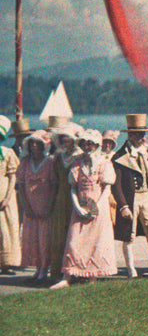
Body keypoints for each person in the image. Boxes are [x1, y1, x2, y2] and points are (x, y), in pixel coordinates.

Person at [50, 130, 117, 289]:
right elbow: (73, 188)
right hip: (80, 205)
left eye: (91, 143)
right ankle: (68, 276)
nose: (88, 146)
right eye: (85, 143)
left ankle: (91, 276)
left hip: (99, 207)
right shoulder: (77, 163)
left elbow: (107, 189)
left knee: (96, 241)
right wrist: (77, 207)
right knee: (74, 240)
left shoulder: (104, 163)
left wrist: (98, 207)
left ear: (96, 145)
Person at [111, 114, 148, 277]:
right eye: (139, 135)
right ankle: (131, 269)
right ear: (130, 135)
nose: (142, 138)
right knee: (129, 235)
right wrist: (123, 206)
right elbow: (116, 185)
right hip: (131, 199)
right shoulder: (119, 157)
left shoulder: (145, 153)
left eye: (143, 134)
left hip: (146, 197)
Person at [48, 116, 84, 280]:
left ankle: (76, 272)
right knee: (59, 235)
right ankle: (58, 271)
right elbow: (54, 179)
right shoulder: (58, 158)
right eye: (63, 139)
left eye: (68, 140)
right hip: (61, 197)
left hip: (76, 196)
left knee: (76, 235)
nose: (65, 142)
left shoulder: (80, 157)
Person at [17, 130, 55, 281]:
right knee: (32, 238)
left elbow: (54, 187)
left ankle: (45, 268)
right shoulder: (25, 163)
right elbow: (20, 186)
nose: (34, 146)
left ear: (44, 145)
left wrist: (49, 207)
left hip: (44, 205)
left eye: (38, 143)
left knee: (45, 238)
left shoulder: (50, 162)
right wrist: (26, 207)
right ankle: (37, 267)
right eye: (32, 143)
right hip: (30, 205)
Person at [0, 116, 22, 275]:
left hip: (5, 194)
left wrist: (7, 197)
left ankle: (7, 263)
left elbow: (13, 175)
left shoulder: (7, 153)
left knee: (7, 229)